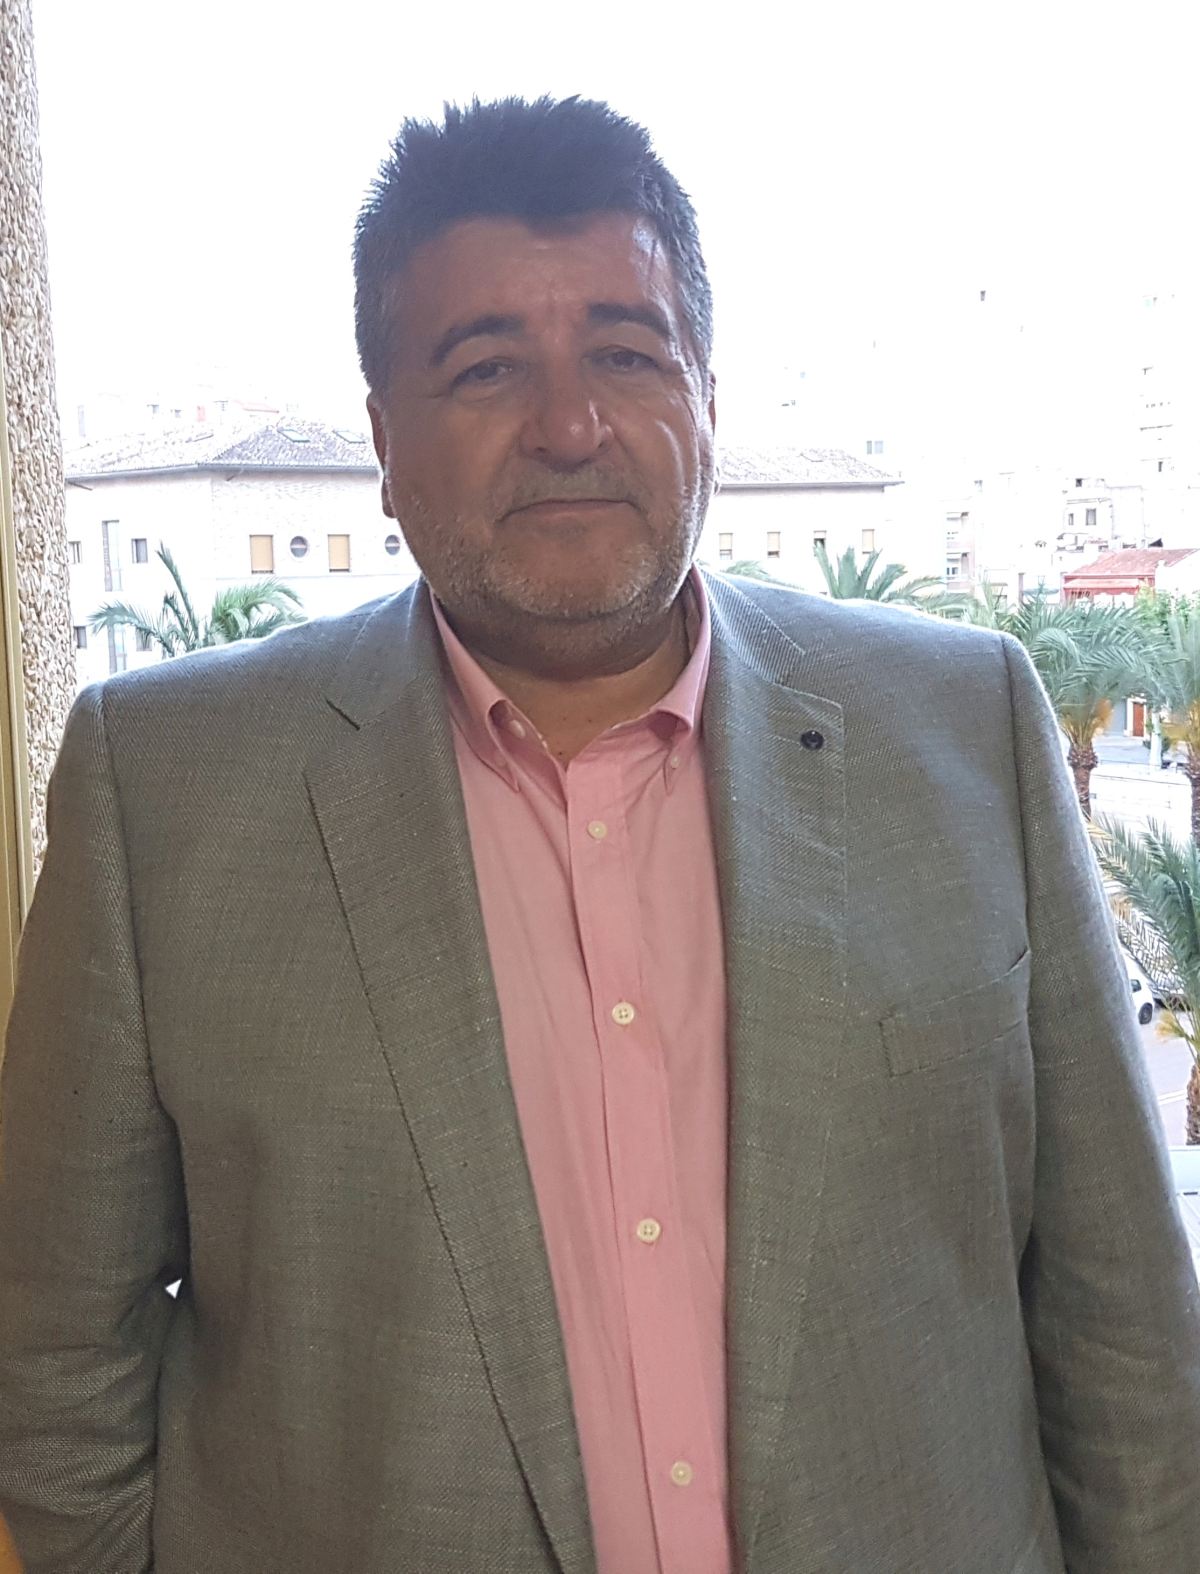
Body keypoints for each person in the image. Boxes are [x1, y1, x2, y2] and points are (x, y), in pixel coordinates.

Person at [0, 96, 1198, 1574]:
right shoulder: (167, 792)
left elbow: (1122, 1324)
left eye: (627, 353)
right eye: (487, 366)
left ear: (706, 394)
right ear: (385, 439)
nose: (570, 426)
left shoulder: (967, 730)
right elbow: (58, 1358)